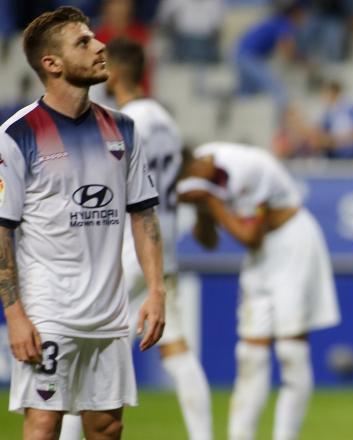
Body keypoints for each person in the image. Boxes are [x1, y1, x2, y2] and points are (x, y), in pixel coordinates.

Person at [0, 6, 165, 440]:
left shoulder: (123, 129)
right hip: (49, 310)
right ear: (51, 64)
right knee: (43, 421)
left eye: (93, 38)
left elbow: (144, 215)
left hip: (109, 312)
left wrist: (156, 291)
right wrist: (15, 315)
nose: (100, 45)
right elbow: (2, 230)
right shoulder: (18, 134)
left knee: (107, 426)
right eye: (84, 42)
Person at [58, 38, 214, 440]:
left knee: (85, 351)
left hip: (125, 250)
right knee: (178, 353)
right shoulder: (164, 118)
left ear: (111, 72)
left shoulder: (123, 122)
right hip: (162, 251)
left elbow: (103, 189)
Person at [176, 142, 341, 440]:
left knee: (291, 351)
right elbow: (209, 242)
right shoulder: (203, 178)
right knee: (249, 355)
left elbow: (250, 237)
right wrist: (202, 208)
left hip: (291, 241)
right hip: (262, 258)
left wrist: (210, 201)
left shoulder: (245, 168)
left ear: (195, 166)